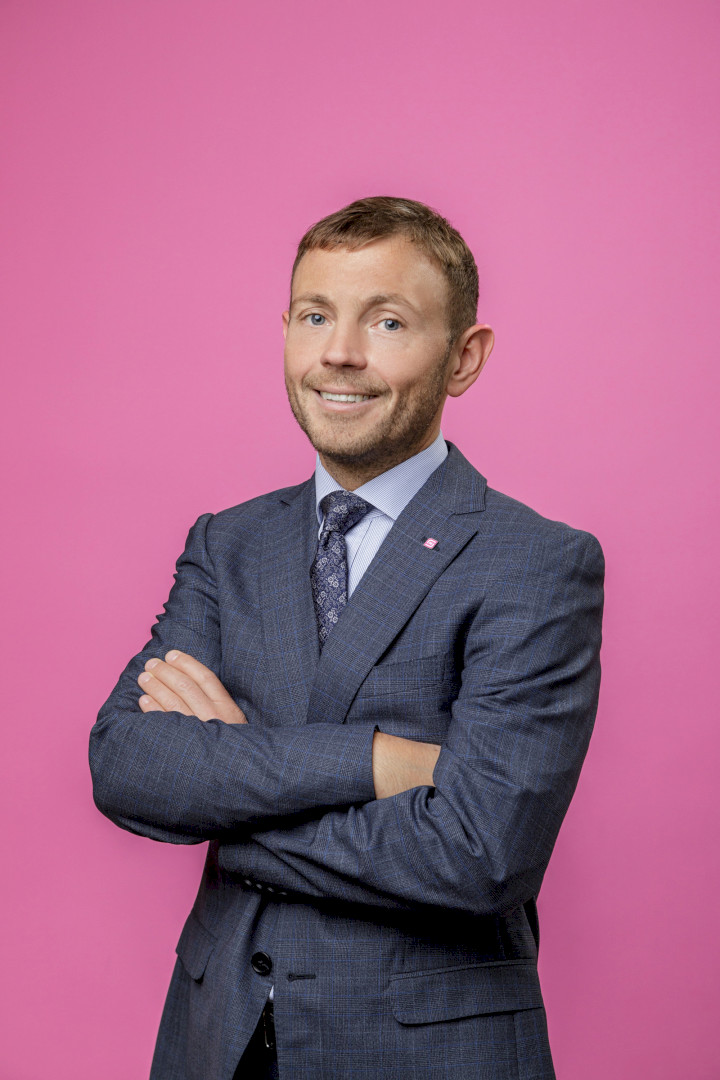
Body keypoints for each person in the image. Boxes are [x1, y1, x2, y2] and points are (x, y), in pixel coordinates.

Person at [90, 195, 605, 1080]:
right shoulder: (229, 543)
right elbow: (127, 762)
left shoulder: (538, 563)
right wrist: (375, 761)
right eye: (315, 315)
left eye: (388, 321)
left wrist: (230, 792)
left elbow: (480, 854)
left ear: (464, 357)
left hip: (429, 1054)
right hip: (217, 1041)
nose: (339, 352)